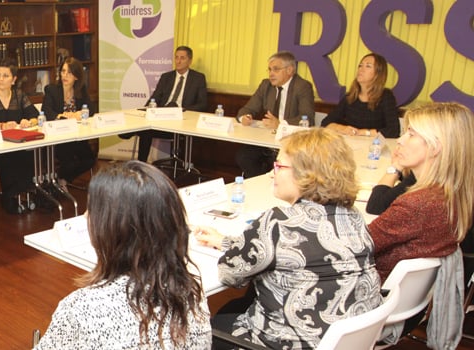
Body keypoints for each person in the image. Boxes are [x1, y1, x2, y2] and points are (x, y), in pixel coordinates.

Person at [196, 128, 382, 349]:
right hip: (345, 340)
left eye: (279, 165)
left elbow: (229, 275)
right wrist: (226, 242)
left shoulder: (278, 222)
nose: (272, 173)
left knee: (214, 322)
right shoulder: (354, 218)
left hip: (284, 343)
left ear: (306, 175)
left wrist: (238, 249)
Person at [35, 161, 211, 349]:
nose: (86, 216)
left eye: (92, 210)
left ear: (110, 227)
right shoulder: (191, 293)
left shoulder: (81, 309)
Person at [367, 102, 473, 281]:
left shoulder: (419, 203)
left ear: (435, 146)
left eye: (411, 134)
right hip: (414, 297)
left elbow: (358, 245)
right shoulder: (452, 193)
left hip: (376, 293)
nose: (400, 140)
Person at [121, 45, 209, 162]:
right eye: (176, 57)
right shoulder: (166, 77)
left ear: (190, 61)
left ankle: (133, 130)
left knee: (172, 107)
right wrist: (150, 108)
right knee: (146, 129)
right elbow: (154, 99)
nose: (178, 61)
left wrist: (182, 110)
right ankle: (141, 165)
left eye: (182, 58)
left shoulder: (198, 78)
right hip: (161, 118)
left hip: (181, 121)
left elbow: (203, 104)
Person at [235, 51, 315, 177]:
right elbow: (247, 108)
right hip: (266, 140)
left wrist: (281, 124)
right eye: (269, 69)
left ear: (290, 70)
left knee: (280, 163)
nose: (271, 74)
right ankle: (259, 187)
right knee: (243, 156)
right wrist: (244, 117)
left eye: (276, 69)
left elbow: (308, 118)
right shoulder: (266, 85)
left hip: (290, 143)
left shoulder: (303, 86)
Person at [0, 58, 40, 214]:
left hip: (15, 142)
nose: (1, 79)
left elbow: (35, 115)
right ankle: (9, 196)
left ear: (14, 79)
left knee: (28, 153)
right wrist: (2, 126)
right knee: (7, 156)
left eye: (5, 76)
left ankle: (27, 193)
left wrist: (28, 122)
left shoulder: (19, 95)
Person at [42, 57, 96, 191]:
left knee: (89, 159)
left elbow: (91, 109)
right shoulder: (52, 90)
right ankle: (59, 180)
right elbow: (46, 111)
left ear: (77, 77)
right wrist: (61, 116)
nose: (65, 75)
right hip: (59, 137)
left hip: (77, 135)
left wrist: (79, 114)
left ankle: (62, 178)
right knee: (69, 161)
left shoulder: (81, 90)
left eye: (70, 73)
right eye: (63, 71)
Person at [321, 53, 400, 138]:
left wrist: (364, 132)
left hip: (375, 146)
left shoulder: (386, 96)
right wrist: (342, 128)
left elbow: (393, 130)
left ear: (378, 73)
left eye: (368, 66)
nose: (361, 69)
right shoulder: (350, 97)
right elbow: (325, 123)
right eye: (360, 65)